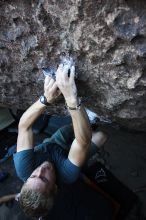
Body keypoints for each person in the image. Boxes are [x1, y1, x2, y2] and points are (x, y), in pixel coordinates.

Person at [13, 64, 107, 218]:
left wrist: (45, 99)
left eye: (33, 176)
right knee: (101, 136)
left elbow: (24, 127)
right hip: (68, 157)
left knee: (72, 130)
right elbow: (82, 142)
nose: (40, 170)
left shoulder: (23, 168)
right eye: (43, 178)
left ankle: (86, 121)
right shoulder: (67, 176)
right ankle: (86, 122)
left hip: (54, 144)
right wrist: (71, 97)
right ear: (55, 188)